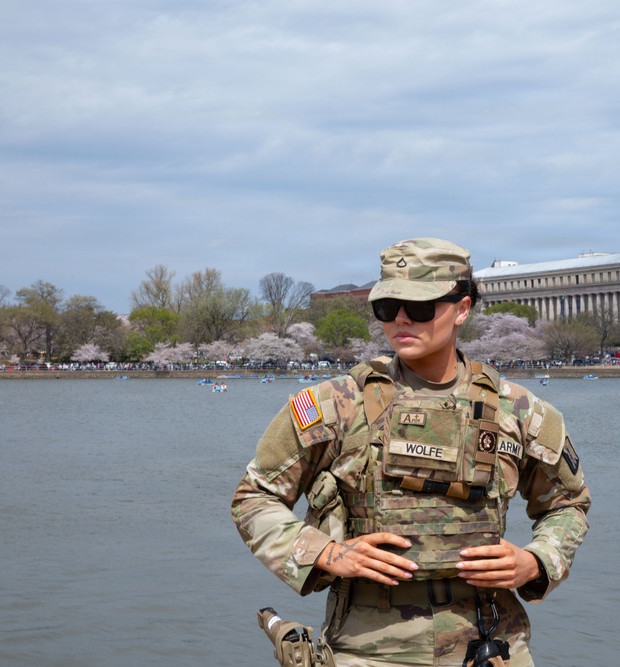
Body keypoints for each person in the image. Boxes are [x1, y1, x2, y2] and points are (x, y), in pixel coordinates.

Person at [231, 238, 591, 667]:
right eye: (387, 307)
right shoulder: (335, 405)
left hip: (491, 644)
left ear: (462, 308)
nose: (401, 319)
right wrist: (325, 553)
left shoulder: (522, 411)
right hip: (367, 648)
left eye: (420, 308)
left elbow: (568, 505)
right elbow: (253, 498)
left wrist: (536, 560)